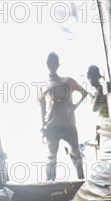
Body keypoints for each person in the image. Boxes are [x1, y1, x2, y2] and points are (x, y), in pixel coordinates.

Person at [39, 52, 88, 181]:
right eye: (50, 63)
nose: (52, 65)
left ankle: (81, 181)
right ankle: (50, 184)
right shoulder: (44, 86)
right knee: (51, 157)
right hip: (51, 126)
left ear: (58, 64)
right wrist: (42, 127)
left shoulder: (68, 81)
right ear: (47, 64)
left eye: (55, 63)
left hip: (69, 125)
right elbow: (42, 108)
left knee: (76, 153)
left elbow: (84, 92)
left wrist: (75, 107)